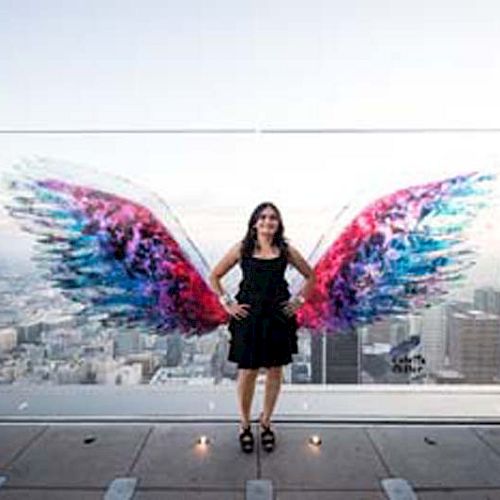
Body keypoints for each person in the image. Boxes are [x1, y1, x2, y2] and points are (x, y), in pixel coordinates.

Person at [209, 202, 316, 453]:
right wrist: (227, 304)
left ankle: (266, 422)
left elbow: (311, 276)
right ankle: (245, 424)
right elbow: (214, 276)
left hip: (278, 317)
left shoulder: (285, 250)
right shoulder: (242, 249)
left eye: (273, 218)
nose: (268, 221)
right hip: (249, 317)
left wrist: (298, 301)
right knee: (248, 371)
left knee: (275, 371)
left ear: (278, 224)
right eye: (263, 217)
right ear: (254, 222)